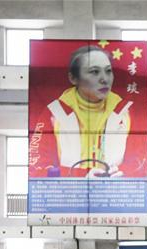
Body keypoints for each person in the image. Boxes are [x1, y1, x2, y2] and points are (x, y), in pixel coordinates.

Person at [29, 45, 132, 179]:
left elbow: (140, 160)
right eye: (94, 72)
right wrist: (81, 178)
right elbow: (37, 166)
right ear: (73, 78)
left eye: (108, 71)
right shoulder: (54, 113)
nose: (104, 79)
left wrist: (123, 173)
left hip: (115, 194)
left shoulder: (127, 111)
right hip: (69, 197)